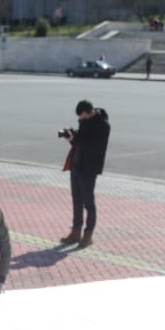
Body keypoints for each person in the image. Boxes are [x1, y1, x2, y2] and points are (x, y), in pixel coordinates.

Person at [59, 99, 111, 248]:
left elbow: (92, 147)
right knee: (77, 201)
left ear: (89, 112)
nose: (80, 119)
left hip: (89, 168)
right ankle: (75, 233)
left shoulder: (103, 125)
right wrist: (71, 138)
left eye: (81, 116)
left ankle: (88, 235)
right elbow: (79, 144)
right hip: (76, 165)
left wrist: (75, 139)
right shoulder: (85, 121)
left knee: (88, 202)